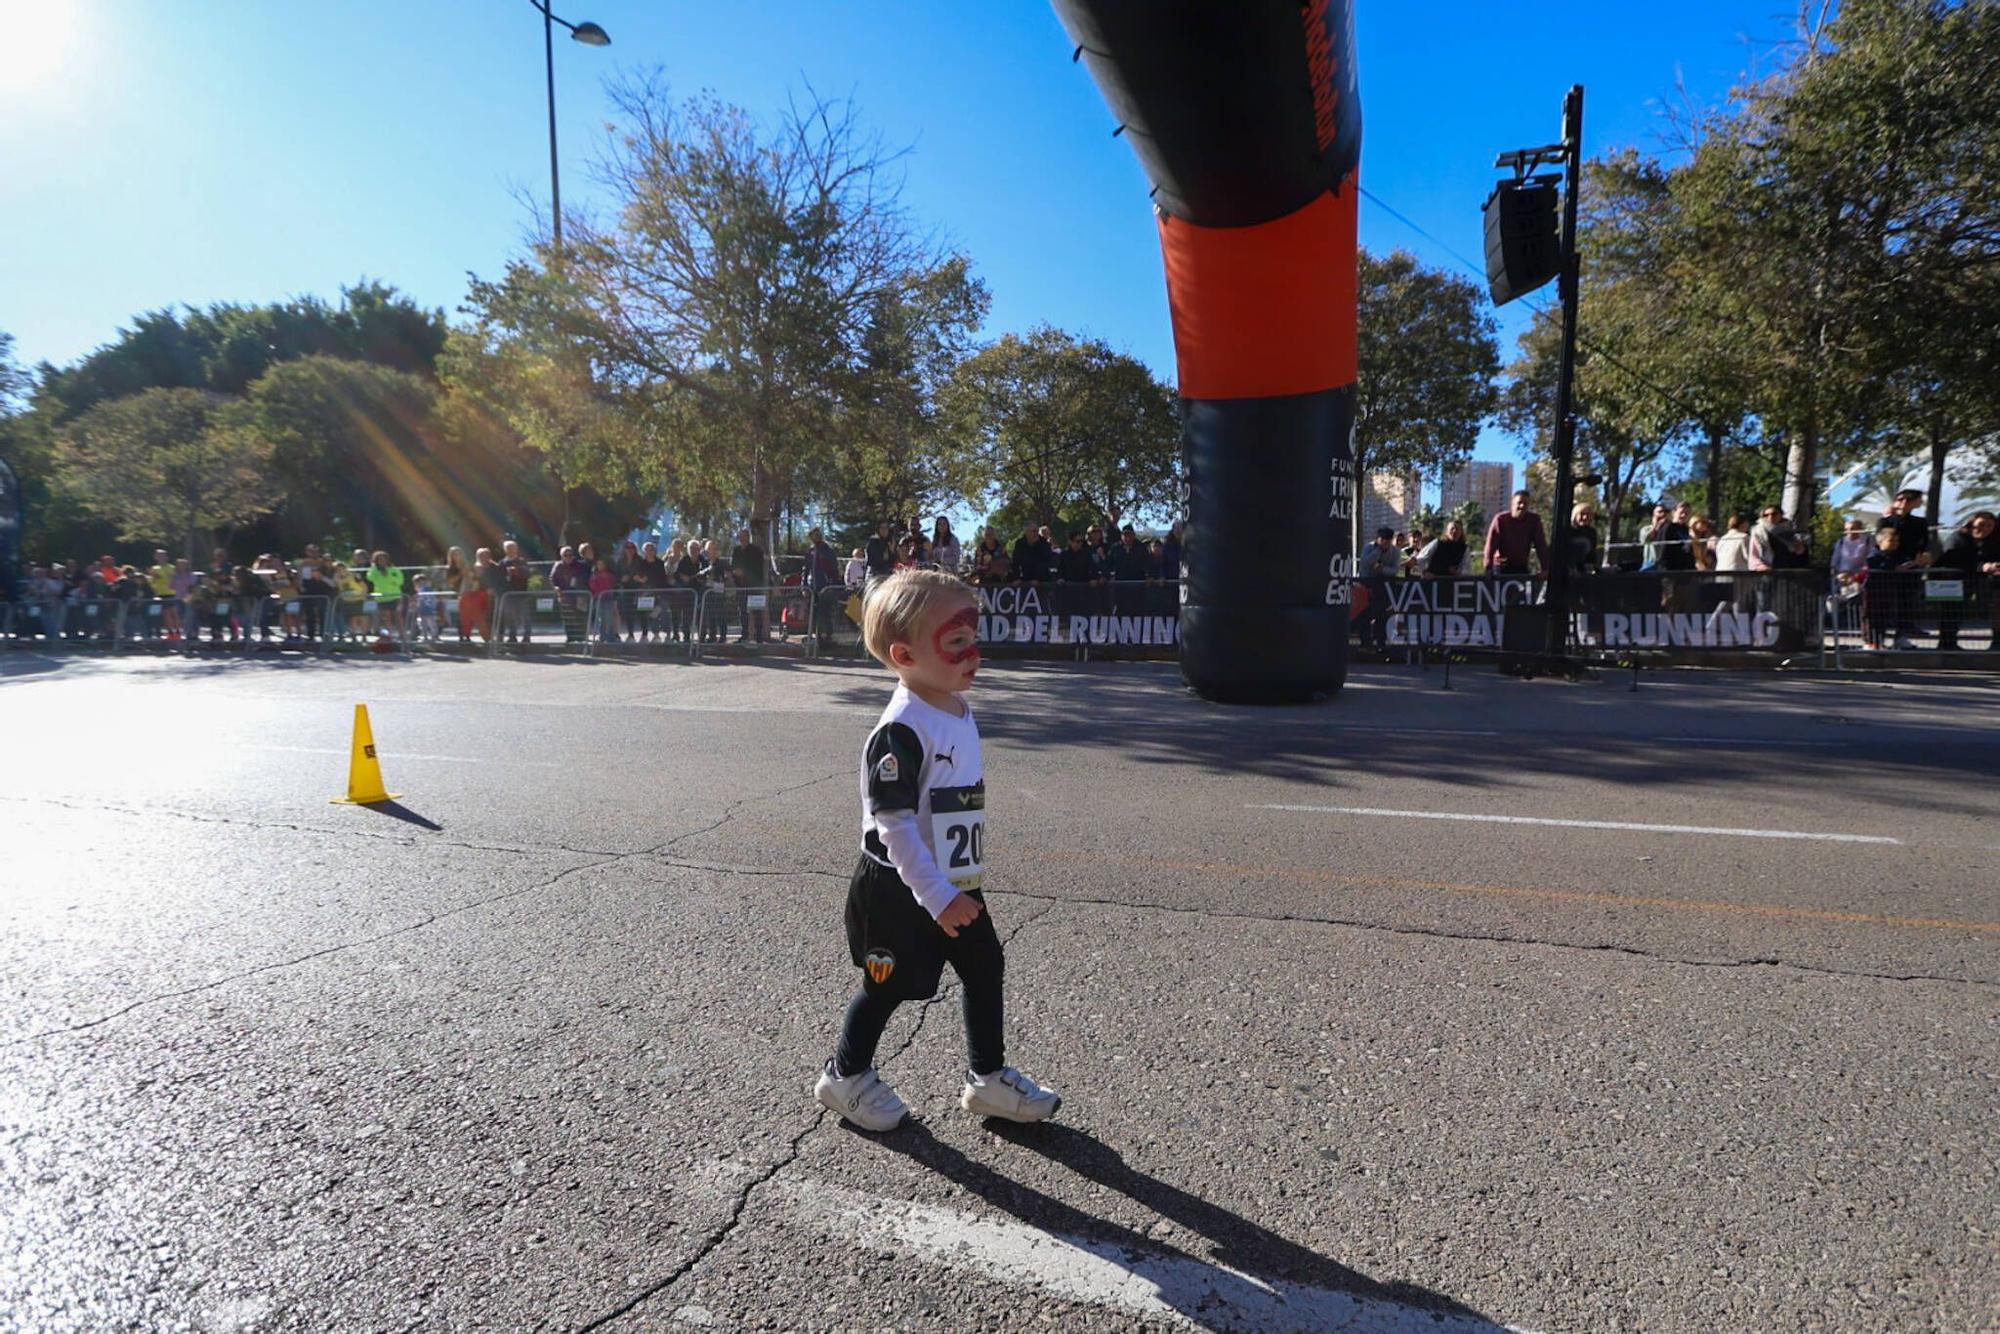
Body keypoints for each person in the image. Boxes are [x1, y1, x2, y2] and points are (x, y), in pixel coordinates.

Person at [813, 569, 1060, 1132]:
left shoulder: (952, 704)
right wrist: (937, 896)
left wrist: (956, 885)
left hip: (954, 877)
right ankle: (845, 1075)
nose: (974, 651)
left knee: (984, 966)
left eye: (974, 636)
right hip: (902, 886)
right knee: (888, 985)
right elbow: (894, 824)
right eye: (955, 641)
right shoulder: (900, 730)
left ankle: (988, 1078)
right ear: (904, 654)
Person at [1936, 511, 1999, 651]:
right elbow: (1955, 559)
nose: (1985, 529)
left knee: (1959, 612)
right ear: (1972, 524)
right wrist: (1981, 566)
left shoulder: (1990, 541)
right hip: (1949, 581)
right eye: (1981, 525)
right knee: (1950, 612)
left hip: (1970, 582)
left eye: (1989, 526)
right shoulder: (1958, 538)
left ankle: (1949, 644)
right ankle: (1946, 645)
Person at [1483, 490, 1550, 576]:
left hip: (1521, 566)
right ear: (1512, 504)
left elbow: (1541, 545)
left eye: (1525, 504)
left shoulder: (1534, 520)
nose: (1522, 506)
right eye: (1519, 503)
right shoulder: (1500, 519)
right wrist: (1488, 568)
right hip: (1501, 566)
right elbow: (1490, 546)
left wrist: (1546, 569)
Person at [1353, 526, 1399, 649]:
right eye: (1382, 539)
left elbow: (1395, 570)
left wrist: (1383, 569)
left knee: (1381, 616)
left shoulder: (1395, 552)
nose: (1385, 543)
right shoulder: (1368, 548)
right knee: (1364, 615)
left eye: (1387, 540)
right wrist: (1377, 551)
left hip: (1383, 588)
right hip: (1366, 585)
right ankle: (1365, 643)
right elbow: (1364, 563)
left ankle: (1381, 643)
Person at [733, 528, 771, 643]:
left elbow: (758, 567)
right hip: (741, 586)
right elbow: (733, 565)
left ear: (748, 537)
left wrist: (745, 572)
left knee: (756, 611)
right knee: (743, 611)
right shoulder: (736, 550)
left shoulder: (756, 550)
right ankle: (744, 634)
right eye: (741, 536)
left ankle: (759, 635)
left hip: (755, 586)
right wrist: (736, 573)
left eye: (745, 536)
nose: (743, 538)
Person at [363, 550, 405, 639]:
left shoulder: (394, 569)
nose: (382, 561)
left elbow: (400, 581)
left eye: (384, 559)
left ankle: (402, 634)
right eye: (379, 559)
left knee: (397, 616)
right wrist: (374, 567)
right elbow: (370, 578)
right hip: (381, 598)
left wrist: (388, 576)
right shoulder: (374, 571)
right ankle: (390, 635)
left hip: (395, 596)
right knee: (386, 617)